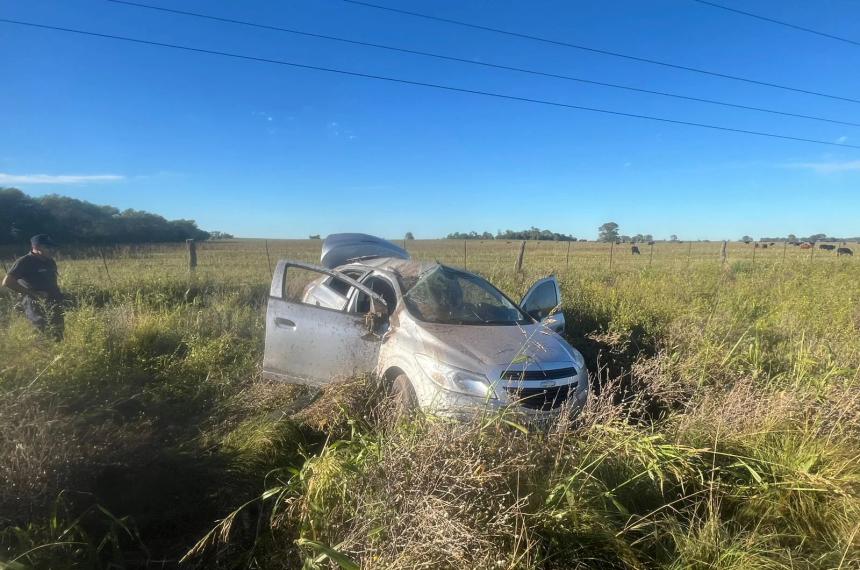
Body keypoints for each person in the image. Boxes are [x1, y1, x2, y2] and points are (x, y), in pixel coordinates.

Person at [2, 234, 65, 339]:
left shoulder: (50, 261)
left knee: (58, 333)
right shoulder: (24, 262)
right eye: (48, 247)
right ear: (36, 247)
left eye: (53, 247)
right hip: (36, 304)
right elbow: (7, 282)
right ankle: (43, 354)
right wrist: (33, 294)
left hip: (54, 302)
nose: (52, 250)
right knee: (43, 334)